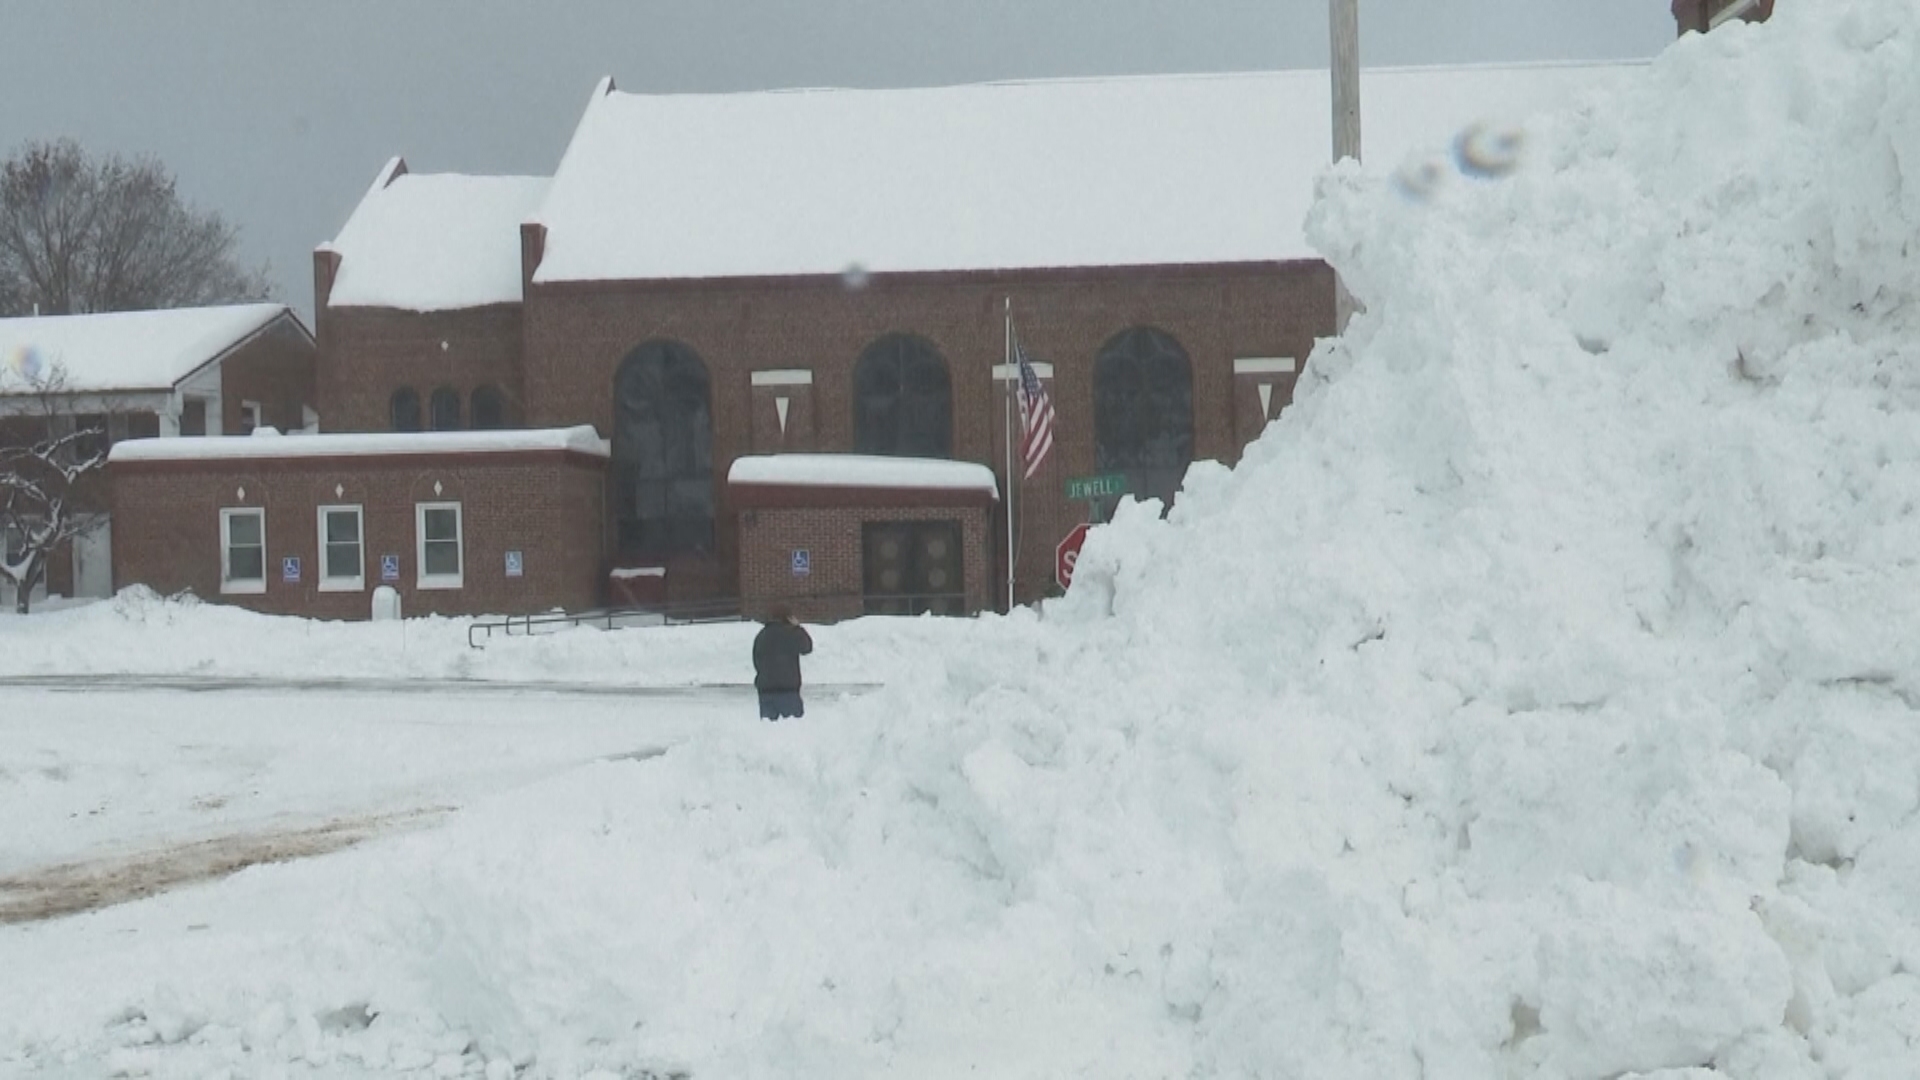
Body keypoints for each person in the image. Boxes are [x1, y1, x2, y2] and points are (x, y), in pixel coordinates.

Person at [751, 604, 813, 721]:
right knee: (790, 730)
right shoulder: (791, 634)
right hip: (787, 690)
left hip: (766, 691)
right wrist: (797, 627)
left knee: (769, 731)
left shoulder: (761, 636)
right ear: (788, 618)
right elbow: (807, 647)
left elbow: (756, 661)